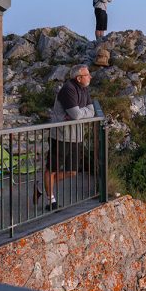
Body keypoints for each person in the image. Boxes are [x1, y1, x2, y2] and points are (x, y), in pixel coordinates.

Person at [34, 64, 95, 211]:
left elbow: (92, 111)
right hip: (61, 136)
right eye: (87, 75)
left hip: (76, 136)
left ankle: (42, 186)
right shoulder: (68, 90)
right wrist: (80, 113)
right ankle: (51, 201)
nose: (90, 77)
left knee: (73, 171)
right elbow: (76, 115)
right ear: (78, 77)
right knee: (52, 169)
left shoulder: (84, 89)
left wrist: (81, 113)